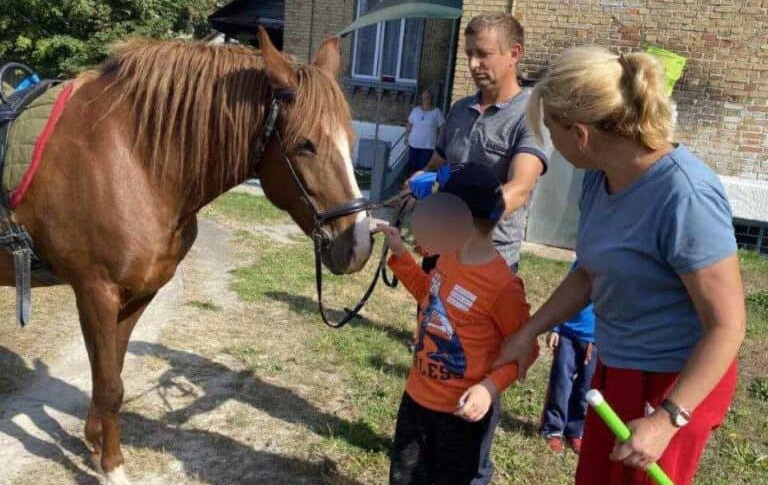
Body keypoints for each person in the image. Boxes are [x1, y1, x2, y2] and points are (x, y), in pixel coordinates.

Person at [493, 46, 746, 485]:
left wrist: (667, 419)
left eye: (552, 132)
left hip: (675, 384)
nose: (552, 144)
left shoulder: (685, 196)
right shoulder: (599, 176)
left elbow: (727, 326)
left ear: (580, 134)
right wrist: (527, 332)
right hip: (618, 368)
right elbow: (590, 273)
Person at [375, 163, 537, 485]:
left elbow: (526, 350)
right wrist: (400, 255)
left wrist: (489, 389)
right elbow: (428, 295)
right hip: (417, 400)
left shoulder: (502, 286)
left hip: (460, 416)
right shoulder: (447, 257)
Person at [407, 13, 550, 276]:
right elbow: (436, 164)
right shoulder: (459, 110)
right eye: (469, 54)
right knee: (430, 318)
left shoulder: (529, 116)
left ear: (514, 54)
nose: (473, 64)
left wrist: (458, 217)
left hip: (488, 261)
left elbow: (519, 189)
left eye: (483, 54)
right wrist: (421, 177)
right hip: (442, 251)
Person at [539, 260, 597, 455]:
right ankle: (553, 429)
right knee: (560, 384)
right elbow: (564, 296)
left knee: (586, 388)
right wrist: (556, 327)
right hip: (568, 335)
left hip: (595, 341)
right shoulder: (583, 261)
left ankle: (576, 430)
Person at [405, 89, 445, 175]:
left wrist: (439, 142)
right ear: (422, 98)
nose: (427, 99)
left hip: (428, 147)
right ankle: (411, 186)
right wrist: (406, 137)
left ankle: (421, 187)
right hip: (414, 145)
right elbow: (409, 125)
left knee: (423, 170)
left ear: (432, 99)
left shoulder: (436, 112)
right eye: (425, 97)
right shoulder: (415, 110)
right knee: (412, 168)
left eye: (429, 97)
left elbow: (442, 128)